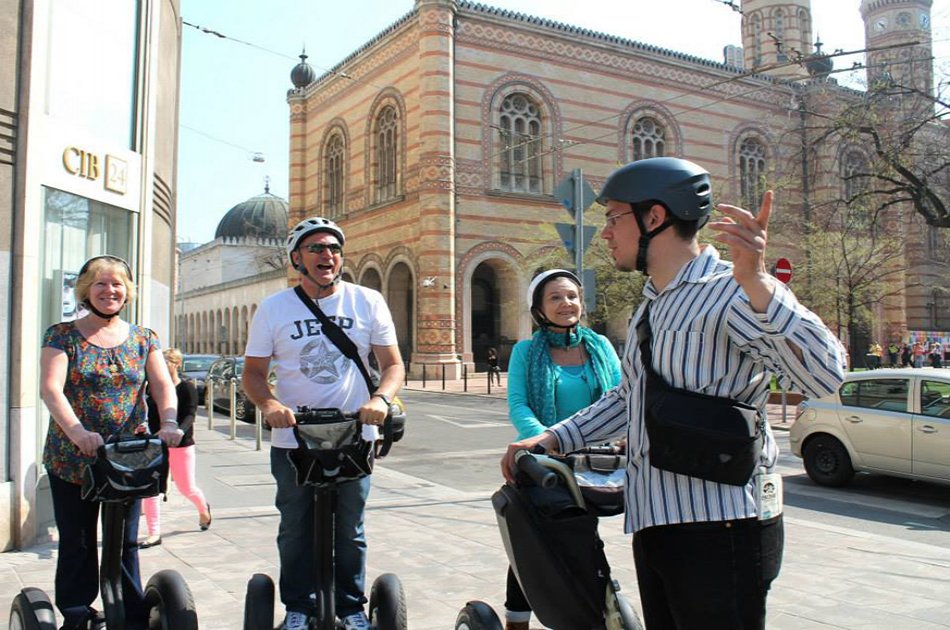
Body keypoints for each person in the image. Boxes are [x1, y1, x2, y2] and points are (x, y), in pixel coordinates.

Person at [501, 157, 846, 630]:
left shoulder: (730, 291)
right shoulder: (652, 304)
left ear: (654, 217)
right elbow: (629, 400)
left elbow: (825, 377)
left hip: (722, 528)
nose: (605, 233)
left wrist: (760, 281)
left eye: (614, 217)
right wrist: (551, 440)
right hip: (657, 521)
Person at [243, 217, 405, 630]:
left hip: (355, 434)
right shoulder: (274, 307)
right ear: (296, 258)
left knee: (350, 528)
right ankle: (299, 605)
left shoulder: (367, 301)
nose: (327, 255)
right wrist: (270, 405)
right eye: (315, 248)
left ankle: (351, 607)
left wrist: (381, 399)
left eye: (333, 248)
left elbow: (392, 365)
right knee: (296, 525)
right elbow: (254, 374)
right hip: (294, 438)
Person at [39, 255, 184, 630]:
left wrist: (168, 422)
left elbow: (162, 385)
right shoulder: (62, 335)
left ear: (128, 291)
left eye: (117, 284)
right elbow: (52, 389)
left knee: (124, 540)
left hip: (128, 459)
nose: (110, 291)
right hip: (74, 458)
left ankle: (129, 613)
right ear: (86, 290)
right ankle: (76, 612)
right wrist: (78, 433)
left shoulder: (143, 338)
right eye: (101, 284)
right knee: (79, 540)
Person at [504, 268, 622, 630]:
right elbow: (519, 404)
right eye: (555, 297)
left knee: (585, 540)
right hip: (546, 460)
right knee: (533, 541)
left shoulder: (600, 345)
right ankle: (517, 620)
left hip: (597, 461)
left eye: (572, 296)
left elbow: (620, 397)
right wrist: (543, 442)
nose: (566, 303)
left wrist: (622, 436)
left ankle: (595, 607)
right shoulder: (526, 351)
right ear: (539, 307)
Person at [139, 348, 212, 549]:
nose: (162, 367)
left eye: (166, 362)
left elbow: (190, 414)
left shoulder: (186, 387)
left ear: (176, 364)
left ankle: (203, 507)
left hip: (181, 443)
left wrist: (180, 430)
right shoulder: (150, 388)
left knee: (186, 487)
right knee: (151, 488)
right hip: (154, 444)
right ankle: (154, 532)